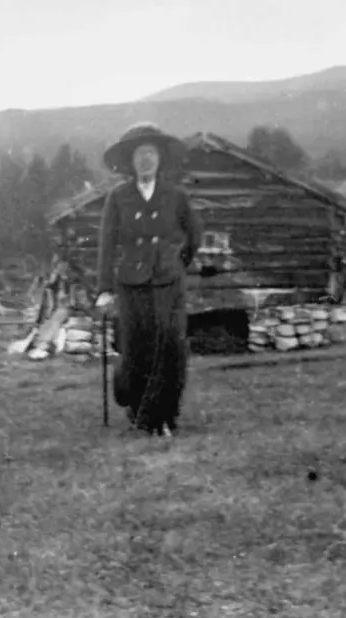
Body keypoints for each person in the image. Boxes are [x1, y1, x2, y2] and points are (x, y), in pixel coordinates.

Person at [94, 123, 202, 438]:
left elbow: (194, 237)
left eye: (151, 153)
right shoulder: (118, 197)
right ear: (130, 160)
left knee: (170, 347)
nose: (146, 160)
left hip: (169, 284)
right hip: (131, 284)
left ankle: (166, 415)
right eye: (140, 154)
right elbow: (107, 244)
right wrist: (104, 289)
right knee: (137, 347)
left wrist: (175, 265)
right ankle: (140, 413)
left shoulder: (176, 196)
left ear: (160, 158)